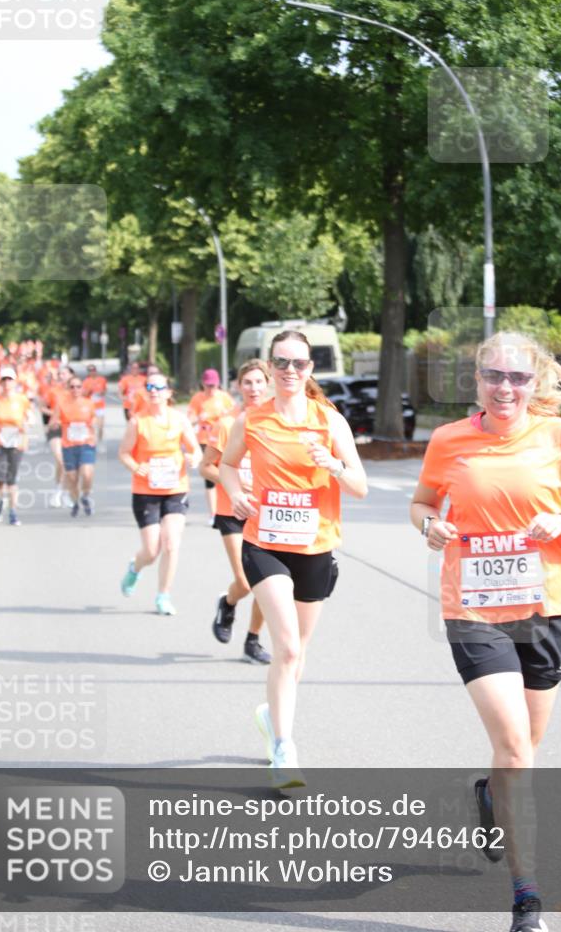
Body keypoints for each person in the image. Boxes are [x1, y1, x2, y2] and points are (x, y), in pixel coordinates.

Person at [410, 331, 561, 932]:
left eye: (517, 378)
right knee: (516, 748)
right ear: (477, 380)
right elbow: (420, 505)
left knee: (521, 752)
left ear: (534, 382)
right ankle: (527, 899)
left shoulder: (559, 438)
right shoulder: (449, 441)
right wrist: (430, 528)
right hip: (473, 610)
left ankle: (492, 799)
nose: (505, 388)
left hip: (546, 609)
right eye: (494, 375)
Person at [220, 331, 367, 788]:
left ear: (310, 369)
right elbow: (227, 465)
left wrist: (334, 465)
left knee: (297, 655)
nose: (289, 371)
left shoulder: (330, 421)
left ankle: (271, 715)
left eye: (299, 364)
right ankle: (284, 749)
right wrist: (236, 493)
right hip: (263, 542)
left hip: (315, 547)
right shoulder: (253, 419)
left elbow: (359, 486)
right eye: (281, 363)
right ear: (270, 365)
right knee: (285, 647)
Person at [199, 358, 271, 666]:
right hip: (232, 511)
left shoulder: (276, 423)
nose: (253, 388)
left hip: (267, 514)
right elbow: (206, 467)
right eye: (247, 383)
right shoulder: (227, 424)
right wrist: (235, 485)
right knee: (245, 582)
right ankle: (228, 603)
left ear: (268, 384)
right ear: (238, 387)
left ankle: (252, 641)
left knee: (267, 583)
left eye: (258, 382)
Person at [118, 372, 202, 615]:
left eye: (158, 387)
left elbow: (195, 449)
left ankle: (163, 595)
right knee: (151, 550)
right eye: (149, 387)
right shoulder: (138, 421)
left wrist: (193, 458)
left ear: (168, 392)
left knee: (171, 543)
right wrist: (136, 466)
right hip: (146, 491)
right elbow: (124, 453)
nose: (153, 391)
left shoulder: (179, 419)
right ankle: (135, 567)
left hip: (175, 488)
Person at [0, 367, 32, 526]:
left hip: (16, 442)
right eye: (4, 380)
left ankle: (13, 512)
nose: (7, 383)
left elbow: (29, 417)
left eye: (9, 379)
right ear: (0, 382)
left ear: (14, 381)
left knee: (12, 479)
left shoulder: (22, 399)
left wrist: (26, 425)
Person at [188, 369, 235, 522]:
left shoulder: (225, 397)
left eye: (214, 386)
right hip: (205, 440)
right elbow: (190, 420)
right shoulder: (197, 398)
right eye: (208, 386)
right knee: (209, 477)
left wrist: (225, 414)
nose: (211, 389)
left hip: (222, 441)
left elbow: (235, 414)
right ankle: (213, 513)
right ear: (203, 384)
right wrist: (199, 417)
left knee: (225, 471)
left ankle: (228, 507)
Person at [50, 375, 97, 517]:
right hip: (69, 445)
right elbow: (52, 422)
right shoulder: (62, 404)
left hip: (86, 444)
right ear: (68, 389)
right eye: (72, 387)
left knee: (87, 473)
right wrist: (56, 424)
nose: (75, 389)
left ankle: (85, 496)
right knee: (72, 477)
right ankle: (76, 501)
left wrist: (93, 424)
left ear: (82, 389)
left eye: (78, 386)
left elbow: (94, 418)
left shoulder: (89, 403)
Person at [42, 365, 74, 508]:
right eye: (60, 374)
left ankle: (65, 493)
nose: (61, 376)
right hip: (55, 427)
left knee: (68, 464)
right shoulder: (53, 391)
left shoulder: (77, 392)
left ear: (71, 375)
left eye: (64, 373)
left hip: (71, 430)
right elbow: (42, 407)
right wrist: (55, 415)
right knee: (60, 460)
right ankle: (57, 492)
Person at [82, 363, 107, 443]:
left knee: (100, 426)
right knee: (92, 425)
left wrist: (101, 392)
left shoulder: (102, 380)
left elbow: (105, 390)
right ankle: (92, 441)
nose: (92, 372)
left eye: (93, 370)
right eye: (90, 370)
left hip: (100, 405)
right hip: (90, 406)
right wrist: (89, 391)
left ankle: (100, 440)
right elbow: (83, 394)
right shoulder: (86, 381)